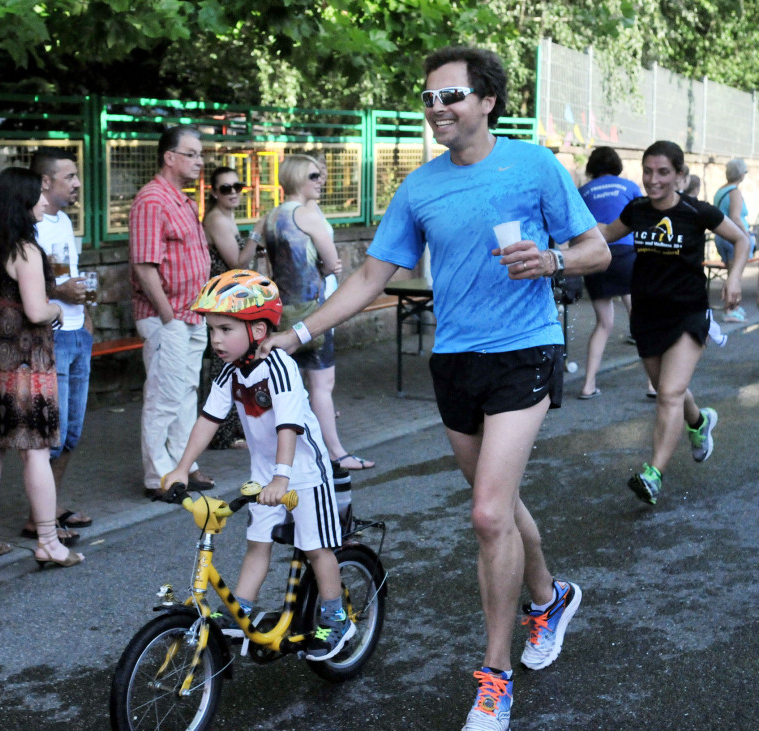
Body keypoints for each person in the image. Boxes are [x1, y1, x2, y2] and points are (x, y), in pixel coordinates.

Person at [260, 47, 610, 730]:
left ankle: (494, 675)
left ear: (486, 102)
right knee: (499, 505)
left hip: (525, 350)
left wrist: (555, 259)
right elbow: (367, 279)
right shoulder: (419, 187)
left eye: (450, 96)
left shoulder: (534, 165)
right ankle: (552, 595)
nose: (436, 109)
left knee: (486, 514)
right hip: (454, 361)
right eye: (427, 99)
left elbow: (595, 247)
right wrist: (296, 335)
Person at [162, 269, 354, 661]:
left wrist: (283, 477)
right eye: (212, 329)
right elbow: (208, 420)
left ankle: (336, 619)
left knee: (316, 548)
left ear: (259, 330)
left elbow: (289, 424)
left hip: (302, 470)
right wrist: (182, 467)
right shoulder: (230, 373)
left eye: (226, 329)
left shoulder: (279, 364)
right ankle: (242, 608)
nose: (216, 339)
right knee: (257, 543)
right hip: (265, 473)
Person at [598, 141, 749, 506]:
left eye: (663, 172)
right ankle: (698, 423)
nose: (653, 180)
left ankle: (653, 474)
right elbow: (602, 235)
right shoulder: (636, 210)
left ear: (680, 175)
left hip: (688, 314)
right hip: (647, 317)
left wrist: (733, 278)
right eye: (648, 171)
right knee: (671, 388)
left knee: (667, 394)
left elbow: (742, 239)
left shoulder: (697, 212)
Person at [0, 167, 83, 568]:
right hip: (29, 365)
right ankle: (48, 540)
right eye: (36, 195)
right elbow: (36, 310)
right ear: (22, 201)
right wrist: (56, 308)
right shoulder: (26, 250)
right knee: (36, 451)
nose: (43, 201)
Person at [262, 155, 373, 472]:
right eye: (313, 175)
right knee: (322, 385)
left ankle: (289, 456)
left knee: (288, 385)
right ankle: (336, 453)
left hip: (281, 310)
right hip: (312, 311)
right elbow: (331, 261)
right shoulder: (305, 216)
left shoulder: (272, 216)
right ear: (297, 178)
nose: (320, 180)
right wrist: (329, 266)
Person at [129, 125, 213, 497]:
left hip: (192, 313)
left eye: (200, 154)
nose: (200, 161)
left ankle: (183, 463)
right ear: (170, 157)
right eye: (192, 154)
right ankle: (158, 476)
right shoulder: (152, 200)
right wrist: (167, 317)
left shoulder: (182, 199)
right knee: (165, 395)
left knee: (186, 391)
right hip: (170, 316)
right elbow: (144, 266)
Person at [26, 148, 94, 534]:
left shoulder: (65, 220)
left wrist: (85, 317)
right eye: (69, 176)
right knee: (50, 434)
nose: (77, 183)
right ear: (45, 182)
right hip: (48, 338)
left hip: (76, 333)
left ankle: (51, 508)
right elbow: (21, 280)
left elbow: (73, 274)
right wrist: (59, 291)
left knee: (71, 433)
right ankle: (39, 519)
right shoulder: (28, 227)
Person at [576, 146, 650, 399]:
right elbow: (643, 218)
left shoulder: (583, 191)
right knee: (639, 320)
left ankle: (587, 385)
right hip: (626, 256)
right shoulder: (628, 186)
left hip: (595, 256)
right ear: (617, 164)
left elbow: (577, 224)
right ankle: (654, 385)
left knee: (604, 323)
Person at [201, 166, 260, 449]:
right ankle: (223, 434)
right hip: (221, 301)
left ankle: (235, 429)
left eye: (238, 186)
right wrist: (257, 235)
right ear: (214, 192)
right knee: (223, 366)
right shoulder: (217, 220)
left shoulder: (227, 218)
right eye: (226, 188)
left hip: (229, 299)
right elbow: (237, 262)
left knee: (235, 362)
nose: (234, 192)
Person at [712, 158, 753, 323]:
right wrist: (746, 236)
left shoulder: (720, 190)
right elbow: (735, 217)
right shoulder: (734, 191)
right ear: (741, 174)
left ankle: (732, 307)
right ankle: (731, 309)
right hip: (733, 239)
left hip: (722, 237)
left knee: (731, 274)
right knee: (735, 276)